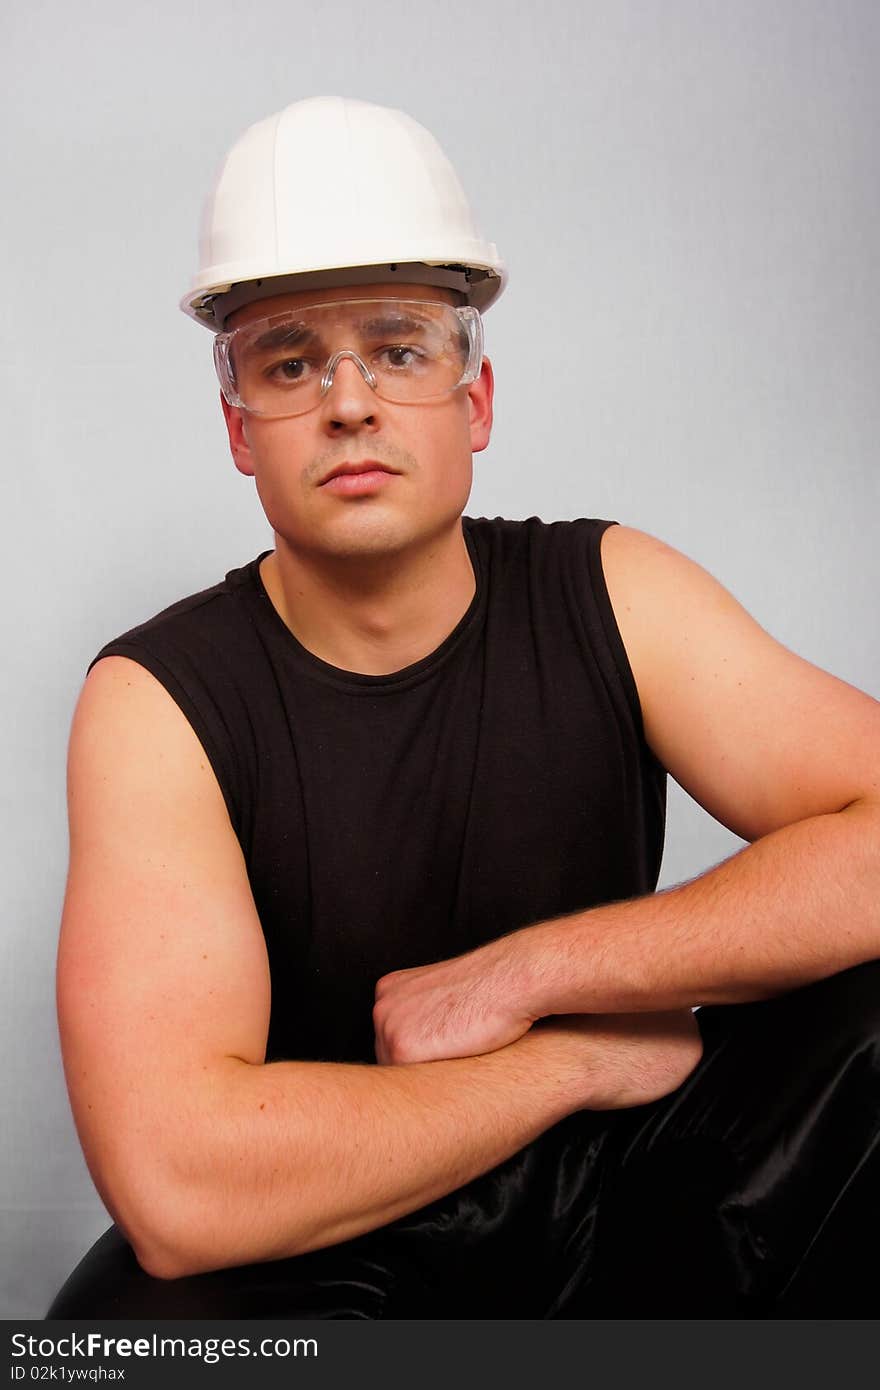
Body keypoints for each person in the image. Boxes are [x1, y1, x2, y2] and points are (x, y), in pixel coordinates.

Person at [50, 96, 880, 1319]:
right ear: (240, 429)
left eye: (397, 348)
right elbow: (176, 1183)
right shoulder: (156, 699)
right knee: (106, 1349)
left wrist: (528, 972)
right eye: (289, 362)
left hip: (631, 1196)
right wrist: (567, 1059)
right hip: (338, 1228)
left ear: (475, 403)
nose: (348, 403)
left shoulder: (613, 589)